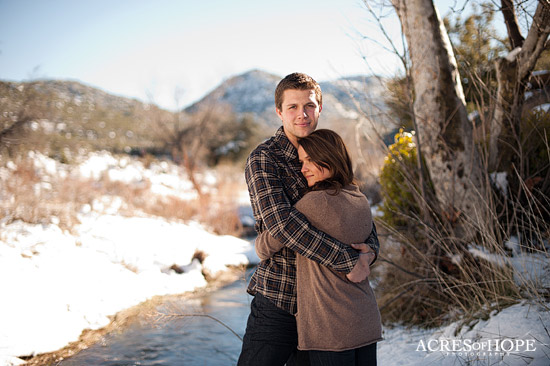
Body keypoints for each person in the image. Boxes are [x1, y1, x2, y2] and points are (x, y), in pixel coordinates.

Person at [237, 72, 379, 366]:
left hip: (326, 306)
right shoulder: (265, 158)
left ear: (320, 109)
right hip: (281, 298)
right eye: (292, 107)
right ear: (279, 111)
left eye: (309, 106)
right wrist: (348, 259)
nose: (302, 114)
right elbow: (283, 224)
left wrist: (370, 251)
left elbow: (354, 207)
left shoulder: (326, 151)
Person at [255, 129, 382, 365]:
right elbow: (370, 241)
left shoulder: (314, 203)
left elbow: (264, 247)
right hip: (366, 320)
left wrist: (267, 228)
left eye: (310, 160)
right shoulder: (360, 199)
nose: (303, 169)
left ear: (330, 158)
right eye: (302, 161)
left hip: (332, 328)